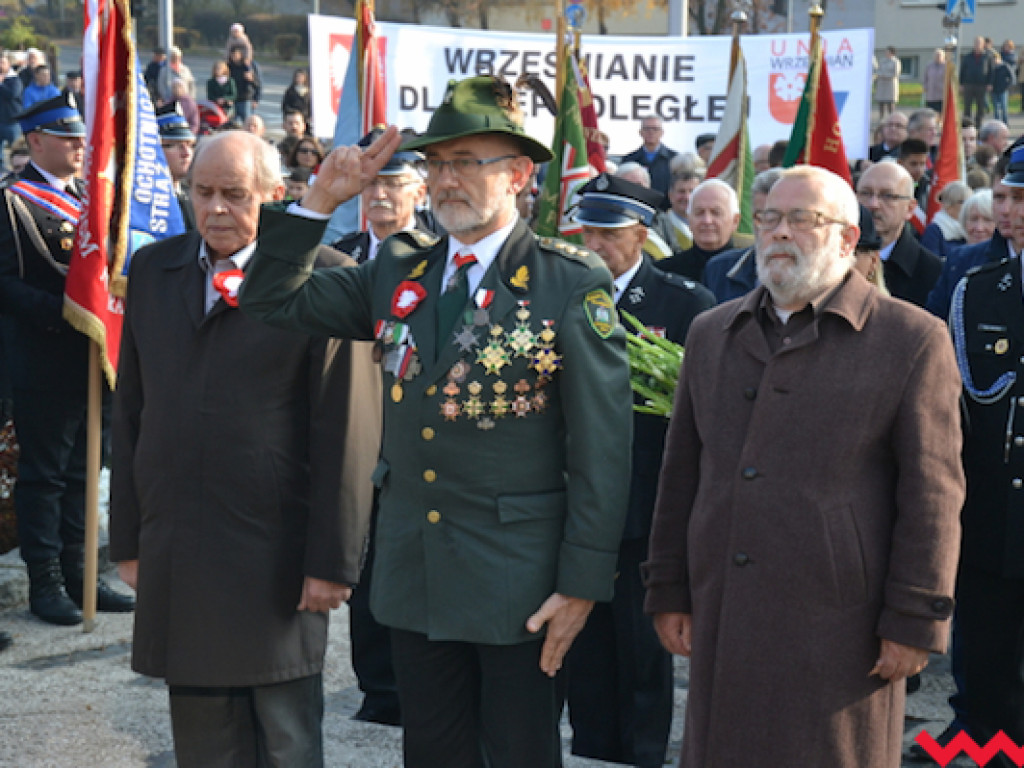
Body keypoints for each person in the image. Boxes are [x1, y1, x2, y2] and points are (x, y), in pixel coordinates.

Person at [239, 75, 633, 768]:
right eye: (436, 163)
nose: (447, 180)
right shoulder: (396, 270)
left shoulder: (567, 283)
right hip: (417, 575)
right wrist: (321, 198)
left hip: (521, 583)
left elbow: (601, 450)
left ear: (516, 174)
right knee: (432, 754)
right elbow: (271, 299)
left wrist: (582, 585)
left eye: (466, 163)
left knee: (518, 753)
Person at [644, 164, 964, 768]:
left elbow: (933, 496)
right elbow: (681, 472)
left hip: (841, 628)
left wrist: (915, 619)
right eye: (768, 217)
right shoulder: (713, 332)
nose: (779, 232)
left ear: (847, 239)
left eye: (802, 219)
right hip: (726, 613)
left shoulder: (911, 339)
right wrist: (668, 588)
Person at [109, 129, 379, 767]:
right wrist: (128, 540)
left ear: (275, 195)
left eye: (235, 194)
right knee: (203, 743)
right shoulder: (153, 269)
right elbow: (132, 414)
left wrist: (333, 562)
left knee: (284, 743)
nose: (215, 210)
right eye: (202, 193)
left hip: (275, 557)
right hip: (179, 547)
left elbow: (348, 431)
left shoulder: (328, 280)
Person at [566, 173, 715, 768]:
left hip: (644, 506)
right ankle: (594, 753)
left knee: (642, 655)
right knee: (584, 651)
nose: (593, 245)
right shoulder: (563, 294)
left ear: (642, 234)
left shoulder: (684, 303)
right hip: (575, 504)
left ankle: (644, 755)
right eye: (587, 231)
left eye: (609, 234)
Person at [0, 93, 135, 626]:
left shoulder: (89, 198)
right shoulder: (13, 202)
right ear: (36, 140)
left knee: (85, 469)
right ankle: (47, 582)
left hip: (93, 355)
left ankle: (84, 577)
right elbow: (4, 283)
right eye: (67, 136)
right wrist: (64, 312)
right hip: (44, 356)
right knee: (46, 473)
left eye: (81, 136)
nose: (81, 145)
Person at [328, 132, 428, 726]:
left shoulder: (441, 258)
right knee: (359, 556)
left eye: (396, 184)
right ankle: (378, 686)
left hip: (417, 430)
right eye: (377, 184)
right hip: (352, 427)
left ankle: (417, 679)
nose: (384, 195)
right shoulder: (341, 253)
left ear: (420, 191)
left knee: (412, 555)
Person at [948, 143, 1024, 768]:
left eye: (1023, 199)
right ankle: (979, 742)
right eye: (1008, 196)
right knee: (985, 643)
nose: (1013, 211)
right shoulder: (977, 290)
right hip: (991, 507)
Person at [927, 150, 1021, 319]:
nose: (1006, 210)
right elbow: (936, 326)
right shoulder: (961, 262)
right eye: (999, 197)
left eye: (1019, 198)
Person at [856, 161, 942, 306]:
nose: (873, 204)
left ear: (909, 208)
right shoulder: (834, 261)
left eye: (888, 196)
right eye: (865, 193)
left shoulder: (933, 272)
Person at [702, 168, 783, 303]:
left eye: (780, 216)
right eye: (765, 216)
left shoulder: (820, 276)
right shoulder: (719, 269)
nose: (778, 229)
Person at [659, 179, 743, 281]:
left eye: (716, 213)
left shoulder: (749, 271)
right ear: (689, 220)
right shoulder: (664, 273)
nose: (707, 220)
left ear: (735, 221)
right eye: (699, 212)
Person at [155, 103, 196, 231]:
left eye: (190, 145)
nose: (186, 153)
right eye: (173, 145)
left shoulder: (194, 194)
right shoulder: (142, 201)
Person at [621, 116, 677, 196]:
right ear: (640, 132)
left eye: (655, 129)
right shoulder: (629, 159)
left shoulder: (674, 158)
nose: (651, 132)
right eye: (647, 129)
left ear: (662, 132)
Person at [651, 169, 701, 253]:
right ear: (670, 195)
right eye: (681, 191)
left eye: (692, 191)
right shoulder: (659, 226)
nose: (687, 197)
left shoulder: (708, 224)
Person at [921, 180, 969, 258]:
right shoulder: (934, 230)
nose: (968, 205)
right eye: (964, 202)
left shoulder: (971, 227)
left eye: (970, 201)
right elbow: (931, 262)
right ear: (948, 205)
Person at [961, 36, 993, 127]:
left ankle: (978, 126)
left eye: (979, 43)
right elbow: (962, 70)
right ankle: (967, 125)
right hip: (968, 84)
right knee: (967, 106)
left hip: (982, 85)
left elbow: (991, 71)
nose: (977, 45)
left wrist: (990, 83)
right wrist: (961, 83)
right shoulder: (967, 57)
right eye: (976, 43)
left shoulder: (988, 56)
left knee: (980, 107)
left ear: (983, 44)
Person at [0, 52, 23, 171]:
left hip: (12, 122)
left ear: (8, 64)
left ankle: (18, 173)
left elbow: (12, 94)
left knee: (16, 151)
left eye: (2, 62)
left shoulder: (14, 79)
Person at [227, 44, 258, 124]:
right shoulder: (228, 67)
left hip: (245, 98)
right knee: (232, 122)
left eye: (236, 54)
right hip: (232, 99)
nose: (234, 57)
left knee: (247, 122)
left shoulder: (247, 67)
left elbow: (257, 84)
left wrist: (256, 99)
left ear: (241, 55)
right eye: (232, 54)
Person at [875, 46, 901, 119]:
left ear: (892, 53)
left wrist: (886, 75)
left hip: (890, 84)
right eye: (885, 51)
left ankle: (891, 118)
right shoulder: (882, 60)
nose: (886, 53)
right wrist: (879, 75)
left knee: (890, 103)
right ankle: (881, 118)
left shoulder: (895, 61)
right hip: (882, 84)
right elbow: (878, 70)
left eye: (887, 51)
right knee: (881, 102)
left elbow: (896, 73)